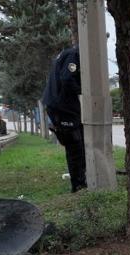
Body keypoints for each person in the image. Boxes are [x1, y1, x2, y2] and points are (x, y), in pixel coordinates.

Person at [42, 47, 86, 192]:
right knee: (75, 144)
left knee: (80, 141)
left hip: (64, 105)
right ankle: (78, 185)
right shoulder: (74, 55)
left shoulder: (69, 53)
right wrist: (84, 89)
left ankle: (82, 177)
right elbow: (67, 78)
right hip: (61, 106)